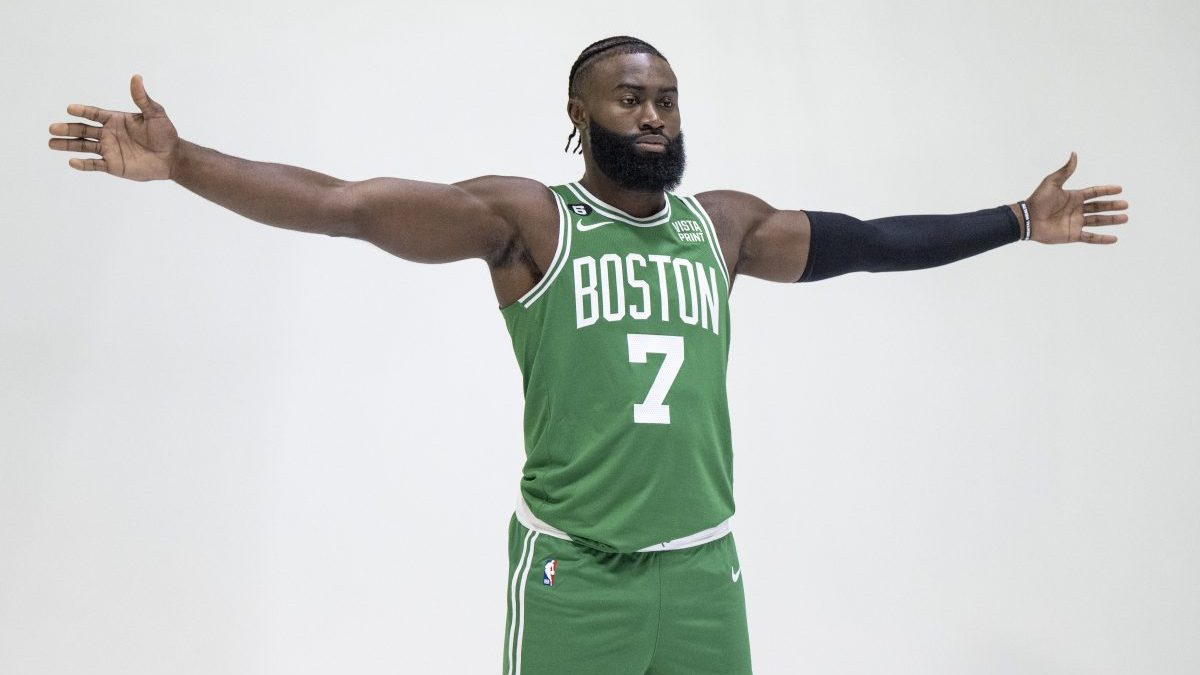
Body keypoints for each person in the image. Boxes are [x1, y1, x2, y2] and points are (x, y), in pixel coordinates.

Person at [47, 35, 1128, 675]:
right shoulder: (530, 222)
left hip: (704, 571)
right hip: (575, 575)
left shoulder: (724, 226)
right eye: (631, 97)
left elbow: (872, 243)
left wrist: (1017, 222)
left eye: (667, 99)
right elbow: (345, 206)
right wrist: (182, 161)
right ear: (579, 114)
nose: (654, 116)